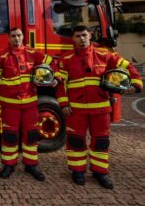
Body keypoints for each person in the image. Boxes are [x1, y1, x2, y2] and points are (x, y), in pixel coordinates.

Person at [57, 25, 142, 189]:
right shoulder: (65, 59)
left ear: (89, 36)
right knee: (75, 141)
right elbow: (61, 85)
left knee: (101, 141)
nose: (81, 39)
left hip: (101, 108)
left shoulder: (105, 54)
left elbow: (127, 66)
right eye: (77, 36)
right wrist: (64, 103)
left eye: (84, 35)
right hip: (76, 109)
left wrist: (136, 84)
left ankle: (100, 172)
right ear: (73, 39)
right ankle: (78, 171)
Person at [0, 27, 55, 181]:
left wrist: (53, 78)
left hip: (30, 104)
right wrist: (8, 89)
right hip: (9, 105)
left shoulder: (33, 53)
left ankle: (31, 165)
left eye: (19, 35)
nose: (16, 39)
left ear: (23, 36)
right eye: (13, 36)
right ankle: (9, 165)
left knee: (31, 135)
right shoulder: (1, 56)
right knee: (10, 136)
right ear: (9, 38)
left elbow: (52, 63)